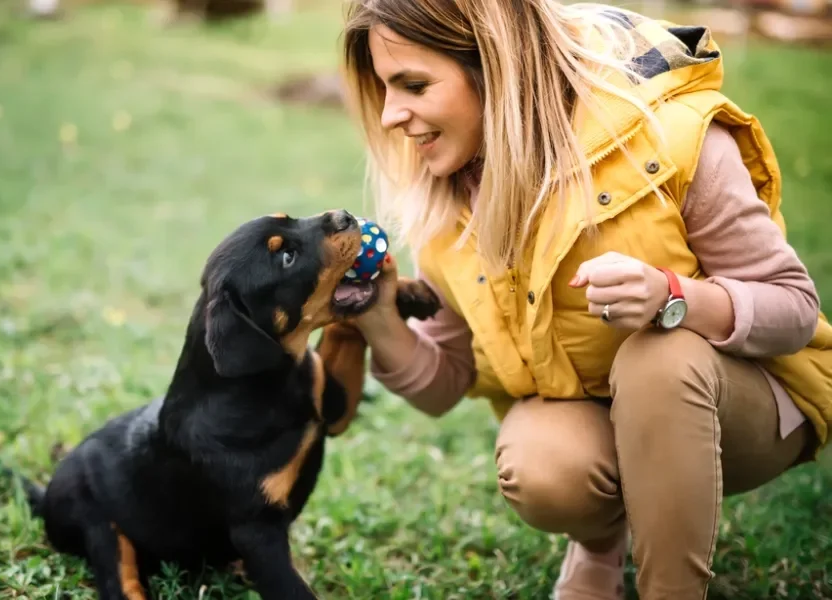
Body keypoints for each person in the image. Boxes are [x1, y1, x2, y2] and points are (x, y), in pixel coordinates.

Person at [338, 0, 832, 598]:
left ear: (497, 65)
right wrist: (377, 317)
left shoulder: (670, 137)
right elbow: (446, 380)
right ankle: (600, 543)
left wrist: (671, 298)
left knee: (658, 359)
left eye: (413, 84)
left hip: (750, 404)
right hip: (598, 412)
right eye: (383, 88)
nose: (391, 114)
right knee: (544, 466)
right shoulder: (448, 200)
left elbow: (794, 308)